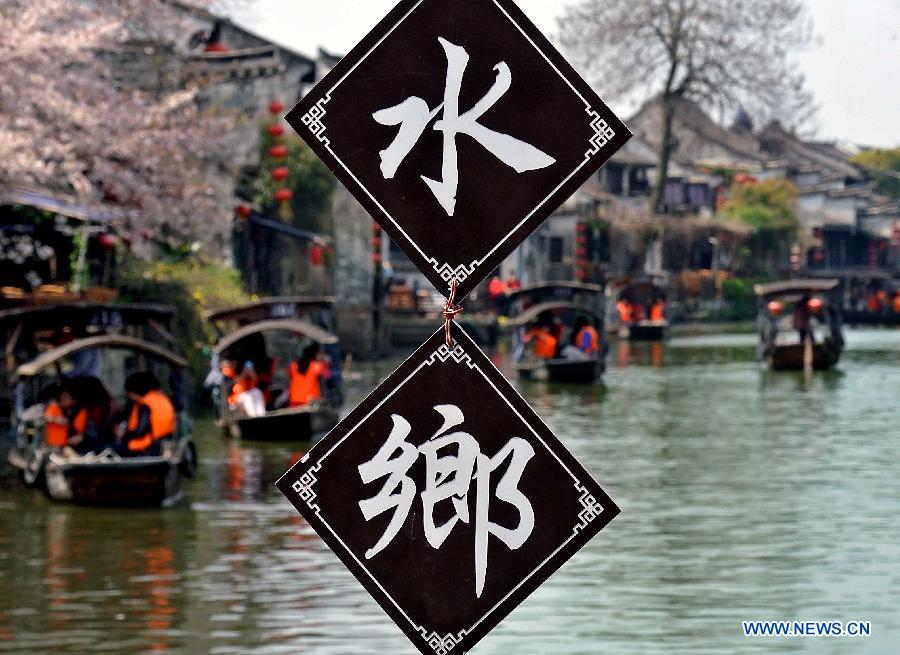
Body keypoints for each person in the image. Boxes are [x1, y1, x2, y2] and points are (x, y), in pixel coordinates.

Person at [114, 372, 176, 457]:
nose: (129, 397)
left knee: (106, 448)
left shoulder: (145, 405)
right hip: (162, 443)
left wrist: (124, 434)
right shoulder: (162, 399)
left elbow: (140, 432)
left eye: (129, 393)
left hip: (147, 447)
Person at [41, 384, 70, 449]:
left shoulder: (60, 408)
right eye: (64, 396)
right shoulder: (53, 406)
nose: (65, 398)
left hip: (61, 444)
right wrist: (57, 419)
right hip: (54, 445)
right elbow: (48, 418)